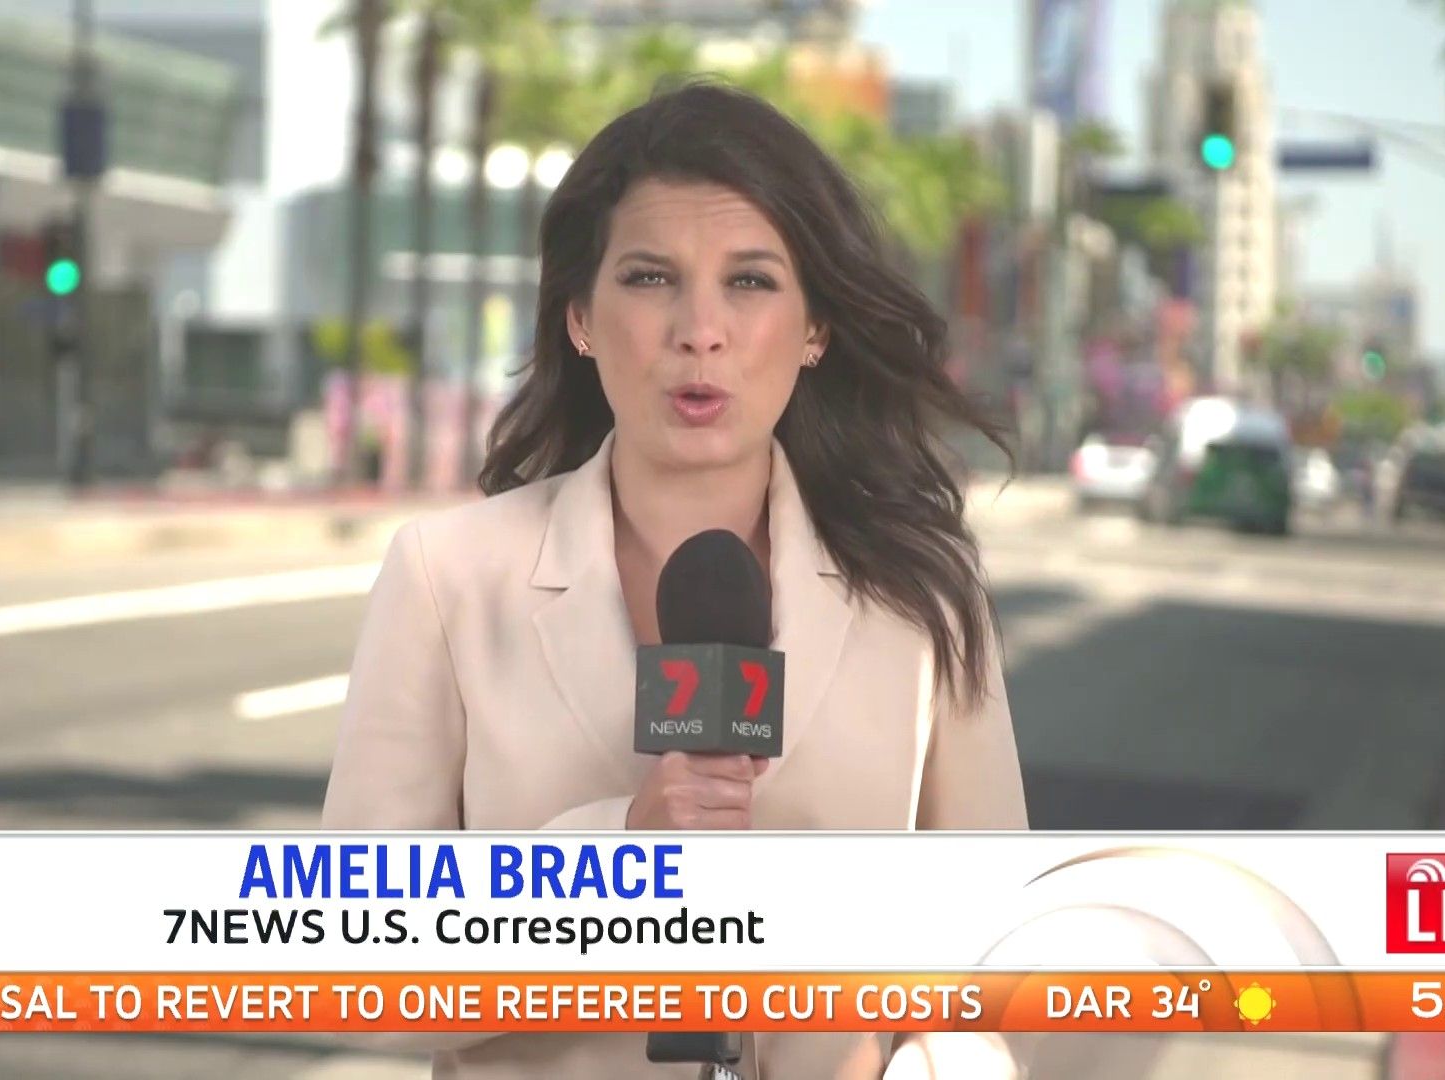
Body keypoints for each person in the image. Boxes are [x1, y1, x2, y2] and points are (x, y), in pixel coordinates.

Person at [323, 80, 1030, 1079]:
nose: (701, 330)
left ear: (817, 329)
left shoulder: (920, 595)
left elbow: (1004, 977)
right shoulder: (448, 577)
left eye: (750, 281)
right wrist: (617, 857)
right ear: (579, 316)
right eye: (651, 278)